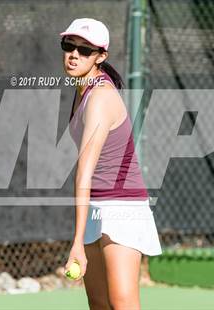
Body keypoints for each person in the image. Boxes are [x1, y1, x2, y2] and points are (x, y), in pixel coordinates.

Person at [60, 18, 162, 310]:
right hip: (96, 205)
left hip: (123, 207)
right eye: (69, 46)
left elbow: (84, 173)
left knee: (122, 303)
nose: (74, 55)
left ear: (100, 56)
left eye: (85, 50)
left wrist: (77, 242)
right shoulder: (82, 89)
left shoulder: (100, 97)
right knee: (99, 303)